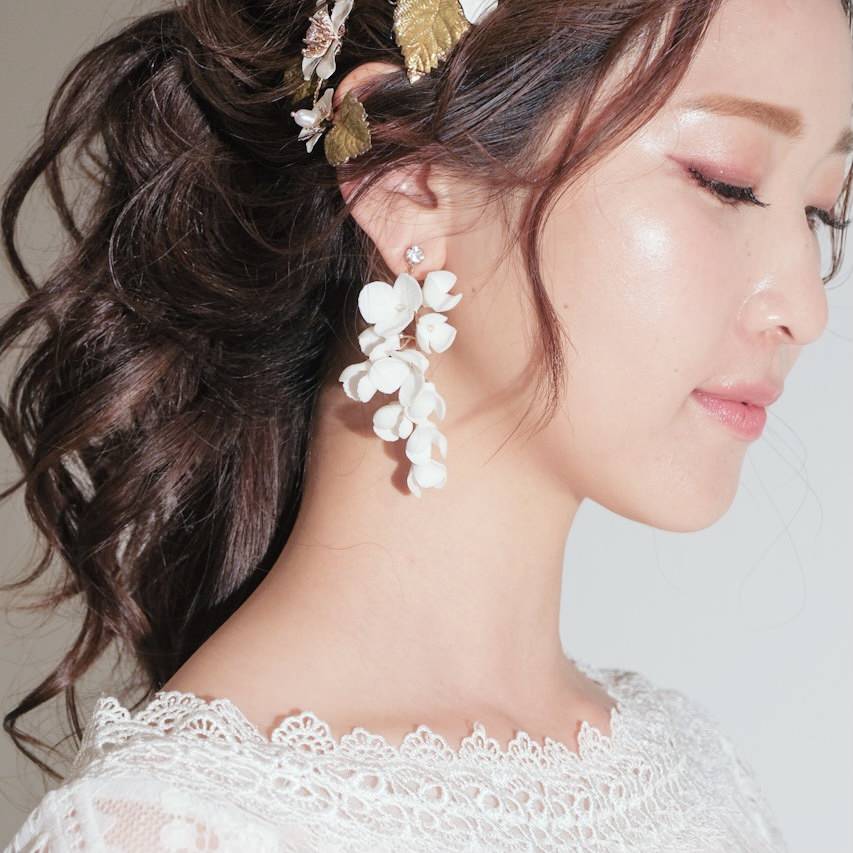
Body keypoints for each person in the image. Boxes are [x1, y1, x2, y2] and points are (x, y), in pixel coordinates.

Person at [1, 0, 850, 848]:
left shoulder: (695, 774)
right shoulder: (164, 829)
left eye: (821, 211)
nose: (805, 307)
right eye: (725, 180)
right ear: (405, 178)